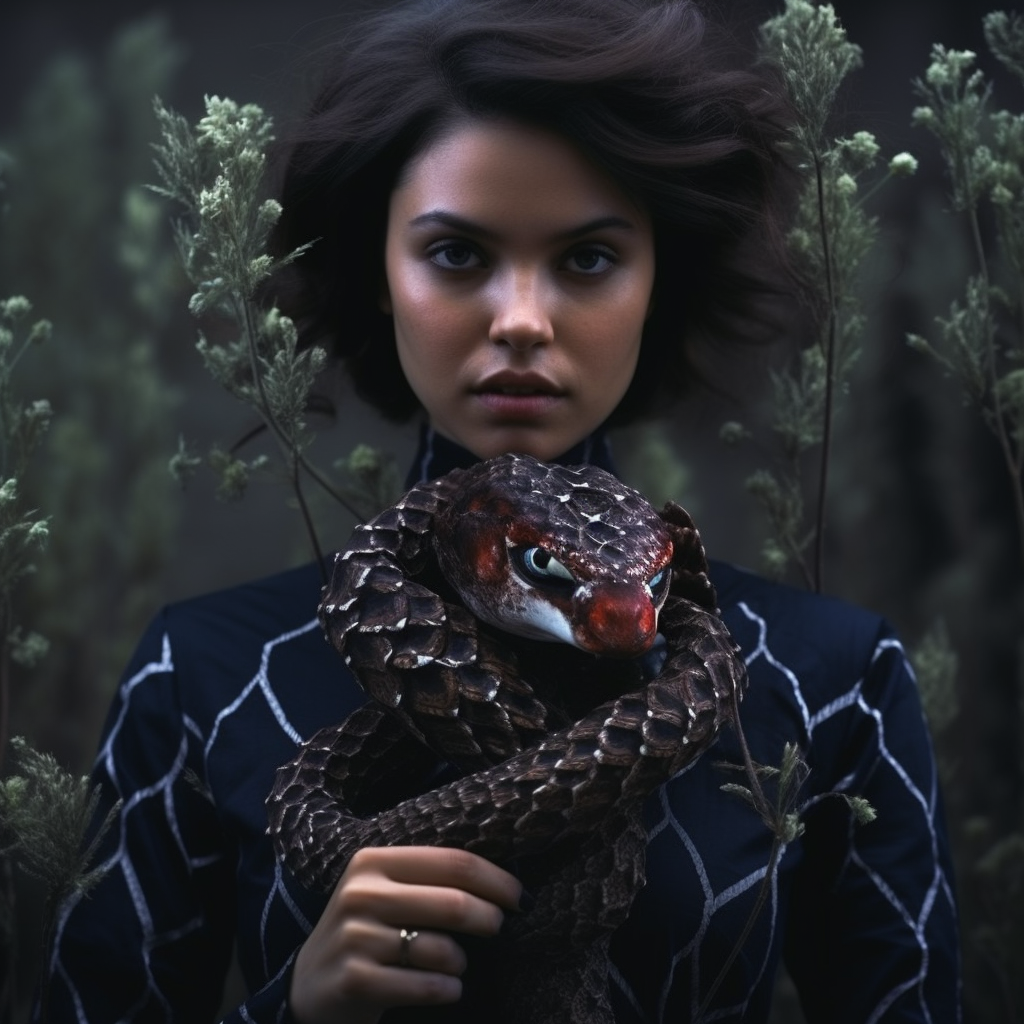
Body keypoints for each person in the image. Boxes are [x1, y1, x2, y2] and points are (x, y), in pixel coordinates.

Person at [39, 0, 960, 1021]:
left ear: (659, 279)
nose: (521, 319)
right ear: (379, 272)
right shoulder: (204, 675)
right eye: (458, 255)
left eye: (587, 259)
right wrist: (292, 1007)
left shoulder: (832, 679)